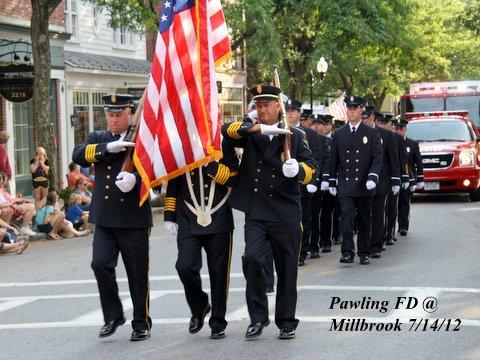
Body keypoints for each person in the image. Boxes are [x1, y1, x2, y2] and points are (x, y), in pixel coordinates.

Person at [222, 85, 317, 340]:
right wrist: (253, 125)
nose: (262, 109)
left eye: (267, 105)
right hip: (257, 210)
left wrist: (297, 169)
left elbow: (311, 170)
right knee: (252, 258)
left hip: (285, 212)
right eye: (258, 105)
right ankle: (257, 318)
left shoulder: (294, 135)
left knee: (287, 269)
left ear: (278, 107)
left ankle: (286, 321)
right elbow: (226, 132)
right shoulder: (251, 133)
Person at [72, 93, 153, 341]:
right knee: (100, 263)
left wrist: (137, 180)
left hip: (133, 218)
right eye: (110, 114)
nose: (114, 119)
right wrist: (108, 148)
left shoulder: (143, 138)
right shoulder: (99, 138)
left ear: (129, 114)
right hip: (105, 217)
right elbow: (78, 155)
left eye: (119, 114)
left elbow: (155, 169)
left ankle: (141, 322)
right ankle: (113, 315)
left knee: (137, 273)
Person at [163, 149, 238, 340]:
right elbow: (174, 182)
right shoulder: (183, 144)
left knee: (219, 273)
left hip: (219, 218)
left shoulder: (223, 145)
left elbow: (233, 179)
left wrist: (210, 165)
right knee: (184, 266)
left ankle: (218, 321)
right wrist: (169, 216)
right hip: (188, 218)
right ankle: (199, 306)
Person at [329, 96, 383, 265]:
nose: (351, 111)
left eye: (355, 108)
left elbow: (377, 157)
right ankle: (347, 252)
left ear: (361, 110)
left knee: (365, 220)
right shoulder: (339, 133)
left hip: (364, 184)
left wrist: (373, 176)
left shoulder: (371, 133)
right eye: (349, 108)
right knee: (346, 219)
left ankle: (364, 252)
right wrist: (331, 181)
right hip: (346, 184)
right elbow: (334, 160)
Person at [284, 101, 322, 266]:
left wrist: (313, 180)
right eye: (287, 110)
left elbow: (315, 160)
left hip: (302, 184)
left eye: (293, 111)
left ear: (299, 113)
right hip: (283, 186)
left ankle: (301, 251)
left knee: (303, 220)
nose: (290, 113)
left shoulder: (309, 134)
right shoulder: (278, 130)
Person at [362, 108, 400, 259]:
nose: (364, 120)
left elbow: (393, 159)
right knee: (365, 215)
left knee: (378, 214)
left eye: (366, 117)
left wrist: (396, 179)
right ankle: (365, 245)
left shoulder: (386, 135)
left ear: (372, 117)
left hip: (381, 181)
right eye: (362, 117)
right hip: (362, 182)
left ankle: (376, 245)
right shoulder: (357, 133)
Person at [395, 118, 424, 236]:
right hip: (394, 178)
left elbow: (419, 162)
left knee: (404, 203)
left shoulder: (412, 144)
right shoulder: (391, 142)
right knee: (393, 205)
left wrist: (420, 179)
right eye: (396, 128)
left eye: (401, 129)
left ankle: (403, 226)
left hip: (408, 178)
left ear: (405, 129)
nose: (398, 131)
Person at [308, 114, 332, 255]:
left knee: (324, 214)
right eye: (314, 124)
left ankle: (325, 241)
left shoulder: (326, 141)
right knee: (311, 215)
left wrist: (326, 179)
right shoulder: (306, 138)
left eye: (319, 124)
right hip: (310, 181)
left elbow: (326, 161)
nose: (316, 126)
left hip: (323, 181)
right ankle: (312, 245)